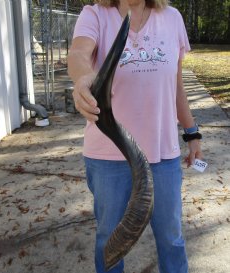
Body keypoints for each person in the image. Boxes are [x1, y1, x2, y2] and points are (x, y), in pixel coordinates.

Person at [67, 0, 203, 272]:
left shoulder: (172, 18)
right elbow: (78, 54)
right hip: (108, 156)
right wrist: (83, 79)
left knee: (172, 239)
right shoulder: (95, 15)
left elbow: (175, 85)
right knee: (111, 240)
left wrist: (192, 132)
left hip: (163, 154)